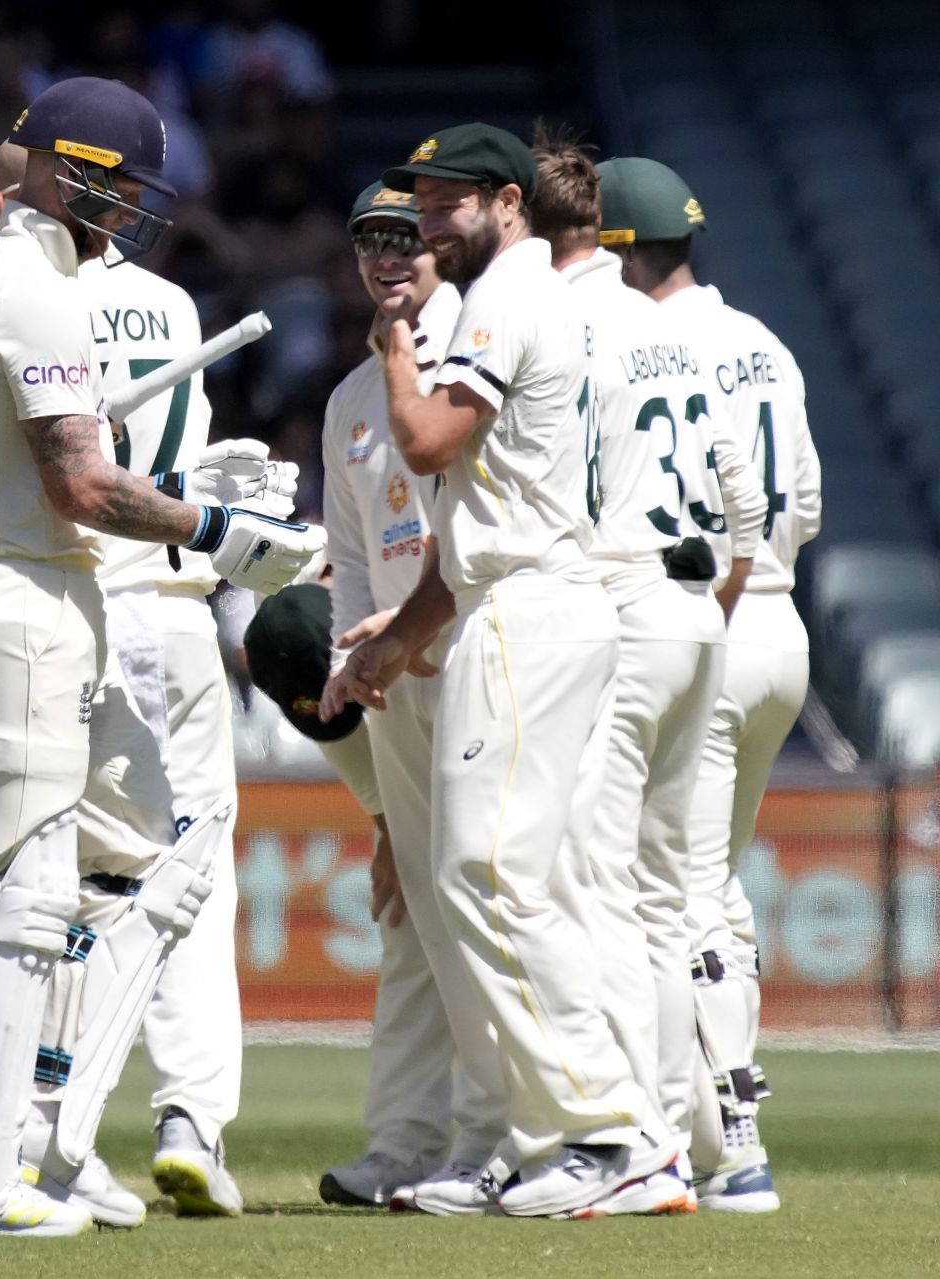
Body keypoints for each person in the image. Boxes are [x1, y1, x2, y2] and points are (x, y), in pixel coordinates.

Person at [0, 77, 324, 1236]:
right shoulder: (24, 290)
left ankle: (19, 1145)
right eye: (118, 184)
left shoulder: (24, 288)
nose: (130, 209)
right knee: (24, 904)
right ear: (61, 170)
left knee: (130, 870)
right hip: (25, 595)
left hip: (46, 595)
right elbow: (81, 482)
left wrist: (194, 499)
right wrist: (225, 533)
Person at [322, 123, 671, 1219]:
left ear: (508, 203)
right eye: (418, 209)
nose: (427, 226)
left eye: (445, 206)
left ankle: (610, 1133)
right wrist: (392, 644)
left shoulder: (504, 300)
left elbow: (423, 444)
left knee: (490, 873)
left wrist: (393, 355)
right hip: (500, 604)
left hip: (532, 612)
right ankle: (538, 1137)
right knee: (476, 880)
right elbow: (469, 531)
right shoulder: (507, 297)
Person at [530, 135, 768, 1214]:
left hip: (621, 606)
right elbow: (749, 507)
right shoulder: (668, 328)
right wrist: (704, 604)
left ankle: (641, 1143)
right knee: (677, 899)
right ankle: (679, 1138)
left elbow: (560, 494)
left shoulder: (568, 322)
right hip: (697, 611)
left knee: (601, 888)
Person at [598, 155, 821, 1214]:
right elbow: (805, 502)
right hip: (781, 622)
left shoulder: (651, 337)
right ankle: (711, 1128)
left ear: (625, 250)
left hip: (708, 613)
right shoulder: (765, 344)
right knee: (707, 883)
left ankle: (725, 1143)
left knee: (683, 893)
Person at [309, 182, 510, 1214]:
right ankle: (402, 1142)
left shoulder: (475, 353)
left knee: (481, 898)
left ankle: (494, 1138)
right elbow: (351, 552)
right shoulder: (351, 397)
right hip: (394, 675)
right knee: (415, 912)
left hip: (477, 655)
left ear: (441, 247)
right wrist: (358, 656)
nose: (388, 257)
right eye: (368, 242)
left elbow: (473, 527)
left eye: (406, 239)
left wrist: (417, 633)